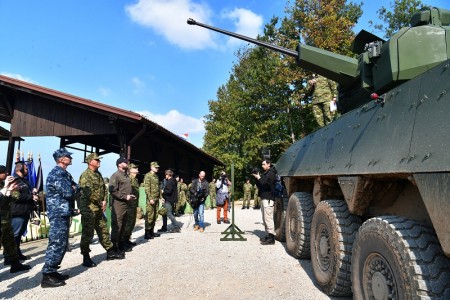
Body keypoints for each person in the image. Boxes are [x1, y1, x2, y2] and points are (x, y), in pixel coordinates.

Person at [41, 148, 79, 288]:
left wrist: (74, 187)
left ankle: (53, 271)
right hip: (57, 214)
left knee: (62, 244)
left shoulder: (65, 173)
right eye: (68, 156)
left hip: (63, 212)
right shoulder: (56, 174)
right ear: (61, 159)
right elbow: (69, 192)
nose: (70, 158)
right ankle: (47, 275)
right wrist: (74, 188)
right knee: (57, 243)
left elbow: (75, 187)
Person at [78, 153, 124, 268]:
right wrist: (100, 201)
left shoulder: (98, 174)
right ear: (90, 162)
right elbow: (89, 194)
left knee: (103, 229)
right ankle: (86, 257)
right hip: (89, 209)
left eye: (99, 159)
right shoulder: (85, 175)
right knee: (87, 234)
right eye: (96, 160)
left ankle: (110, 251)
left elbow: (103, 189)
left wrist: (104, 200)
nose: (99, 161)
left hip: (98, 208)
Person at [0, 165, 31, 273]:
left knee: (11, 243)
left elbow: (9, 198)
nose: (7, 174)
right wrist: (7, 189)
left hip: (6, 219)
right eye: (5, 172)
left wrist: (10, 190)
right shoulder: (3, 185)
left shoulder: (4, 184)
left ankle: (15, 264)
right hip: (2, 219)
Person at [9, 161, 37, 261]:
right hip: (18, 212)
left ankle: (17, 253)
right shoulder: (14, 180)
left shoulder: (24, 181)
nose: (27, 170)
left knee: (19, 235)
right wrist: (31, 196)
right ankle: (10, 257)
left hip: (24, 211)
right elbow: (15, 196)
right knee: (15, 235)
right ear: (20, 169)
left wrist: (32, 192)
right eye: (25, 169)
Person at [109, 157, 135, 253]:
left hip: (126, 204)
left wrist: (130, 196)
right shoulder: (115, 176)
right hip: (118, 204)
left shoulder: (126, 176)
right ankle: (114, 247)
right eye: (124, 162)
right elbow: (112, 190)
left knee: (123, 225)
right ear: (119, 164)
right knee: (117, 225)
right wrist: (125, 197)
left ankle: (120, 244)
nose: (126, 163)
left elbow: (125, 189)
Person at [252, 159, 277, 245]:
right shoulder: (266, 173)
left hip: (269, 198)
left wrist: (259, 177)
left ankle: (271, 238)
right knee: (264, 218)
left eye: (263, 164)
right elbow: (260, 185)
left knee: (268, 218)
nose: (262, 166)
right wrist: (256, 178)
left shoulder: (271, 173)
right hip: (264, 198)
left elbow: (265, 185)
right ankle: (268, 235)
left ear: (269, 164)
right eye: (262, 164)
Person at [143, 161, 161, 239]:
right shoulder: (147, 176)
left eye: (157, 167)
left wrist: (161, 197)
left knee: (155, 215)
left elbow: (158, 188)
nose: (157, 168)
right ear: (151, 167)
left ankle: (151, 232)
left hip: (156, 199)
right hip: (151, 200)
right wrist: (150, 198)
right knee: (150, 215)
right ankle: (147, 233)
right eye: (155, 167)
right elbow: (147, 188)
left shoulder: (156, 176)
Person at [123, 163, 139, 246]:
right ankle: (123, 242)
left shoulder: (135, 179)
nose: (136, 169)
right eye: (134, 168)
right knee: (127, 224)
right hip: (128, 205)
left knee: (132, 223)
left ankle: (127, 239)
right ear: (130, 170)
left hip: (133, 205)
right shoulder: (128, 179)